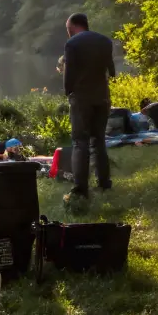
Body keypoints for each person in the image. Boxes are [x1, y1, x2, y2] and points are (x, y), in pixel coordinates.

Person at [62, 12, 116, 203]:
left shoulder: (73, 44)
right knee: (99, 140)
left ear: (75, 26)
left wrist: (68, 92)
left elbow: (69, 76)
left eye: (69, 29)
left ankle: (80, 189)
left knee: (80, 141)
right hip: (102, 97)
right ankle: (103, 183)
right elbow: (112, 71)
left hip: (82, 98)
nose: (68, 33)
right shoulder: (104, 41)